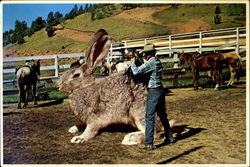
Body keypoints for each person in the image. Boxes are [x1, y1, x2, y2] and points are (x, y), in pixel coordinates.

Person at [130, 43, 175, 150]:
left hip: (153, 92)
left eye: (145, 53)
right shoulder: (157, 61)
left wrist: (132, 63)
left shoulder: (151, 63)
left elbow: (136, 72)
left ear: (149, 54)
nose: (144, 55)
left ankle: (149, 142)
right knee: (162, 115)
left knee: (149, 117)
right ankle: (170, 137)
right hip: (160, 90)